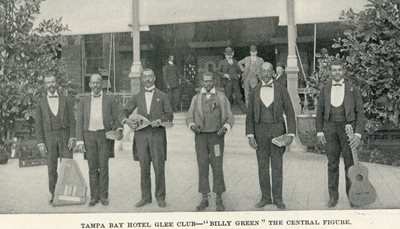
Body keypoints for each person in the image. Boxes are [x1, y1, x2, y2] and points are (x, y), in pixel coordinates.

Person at [315, 60, 366, 208]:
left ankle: (353, 197)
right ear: (330, 72)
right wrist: (319, 132)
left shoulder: (353, 89)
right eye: (334, 70)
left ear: (344, 71)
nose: (337, 72)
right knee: (332, 164)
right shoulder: (325, 89)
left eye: (339, 69)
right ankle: (333, 197)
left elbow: (360, 114)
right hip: (330, 129)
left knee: (350, 165)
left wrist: (357, 135)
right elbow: (320, 113)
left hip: (348, 128)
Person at [245, 62, 296, 210]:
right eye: (263, 71)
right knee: (262, 167)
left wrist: (291, 134)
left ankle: (278, 199)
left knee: (277, 167)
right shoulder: (254, 91)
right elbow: (249, 116)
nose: (266, 73)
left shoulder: (281, 89)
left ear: (273, 72)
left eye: (269, 70)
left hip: (277, 132)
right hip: (259, 132)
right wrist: (250, 135)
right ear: (260, 73)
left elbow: (290, 112)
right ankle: (265, 198)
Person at [122, 68, 173, 208]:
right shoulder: (137, 96)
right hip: (141, 136)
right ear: (142, 79)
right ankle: (145, 197)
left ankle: (160, 197)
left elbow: (169, 115)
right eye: (145, 77)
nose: (148, 79)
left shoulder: (163, 96)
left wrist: (160, 120)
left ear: (155, 78)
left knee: (159, 167)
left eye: (150, 76)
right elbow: (124, 111)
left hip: (157, 136)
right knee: (144, 167)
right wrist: (127, 121)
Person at [186, 72, 234, 211]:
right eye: (205, 81)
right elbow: (189, 117)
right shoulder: (196, 99)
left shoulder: (221, 97)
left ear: (214, 82)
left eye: (210, 81)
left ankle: (219, 198)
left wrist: (225, 128)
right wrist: (192, 126)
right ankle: (204, 198)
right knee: (202, 165)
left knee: (217, 166)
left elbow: (230, 118)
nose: (207, 84)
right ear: (202, 82)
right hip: (201, 138)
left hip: (216, 138)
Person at [76, 74, 123, 207]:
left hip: (104, 136)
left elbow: (117, 116)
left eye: (98, 83)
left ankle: (103, 196)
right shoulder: (84, 101)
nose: (95, 85)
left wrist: (119, 129)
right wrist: (80, 140)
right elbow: (79, 121)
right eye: (93, 83)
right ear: (89, 85)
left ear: (102, 84)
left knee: (103, 166)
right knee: (92, 167)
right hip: (89, 136)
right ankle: (94, 196)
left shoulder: (109, 99)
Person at [35, 73, 76, 204]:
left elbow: (72, 120)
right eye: (48, 83)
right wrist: (40, 142)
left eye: (53, 82)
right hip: (49, 138)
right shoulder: (41, 102)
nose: (51, 85)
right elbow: (38, 124)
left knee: (67, 166)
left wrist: (72, 137)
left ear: (56, 83)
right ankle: (54, 194)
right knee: (52, 169)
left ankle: (68, 194)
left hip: (65, 136)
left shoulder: (66, 99)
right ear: (44, 85)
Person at [217, 47, 246, 112]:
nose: (229, 56)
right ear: (225, 55)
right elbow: (218, 72)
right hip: (227, 82)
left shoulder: (235, 62)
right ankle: (227, 112)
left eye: (230, 54)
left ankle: (245, 111)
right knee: (228, 97)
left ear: (233, 54)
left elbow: (239, 71)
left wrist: (239, 75)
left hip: (235, 82)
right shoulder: (222, 62)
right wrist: (224, 75)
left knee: (239, 96)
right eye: (227, 55)